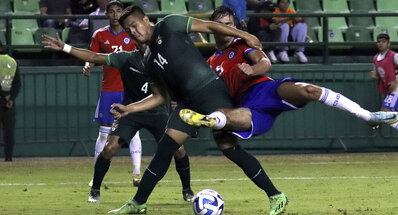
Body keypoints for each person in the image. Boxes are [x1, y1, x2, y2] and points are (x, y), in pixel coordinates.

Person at [107, 5, 288, 215]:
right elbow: (159, 96)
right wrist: (129, 108)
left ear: (146, 20)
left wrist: (245, 35)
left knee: (229, 147)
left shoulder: (169, 24)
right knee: (165, 149)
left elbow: (210, 27)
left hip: (211, 91)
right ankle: (138, 204)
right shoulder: (148, 60)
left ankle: (276, 196)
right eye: (128, 30)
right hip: (188, 103)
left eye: (134, 25)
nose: (133, 32)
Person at [179, 6, 398, 142]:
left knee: (310, 90)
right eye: (221, 25)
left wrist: (252, 70)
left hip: (266, 89)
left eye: (229, 24)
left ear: (234, 26)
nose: (226, 29)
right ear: (213, 28)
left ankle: (368, 116)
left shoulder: (241, 45)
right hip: (247, 106)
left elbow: (265, 63)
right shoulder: (210, 62)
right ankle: (209, 120)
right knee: (232, 116)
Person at [42, 35, 194, 202]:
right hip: (130, 113)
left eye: (147, 40)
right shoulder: (125, 58)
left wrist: (177, 99)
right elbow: (93, 56)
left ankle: (187, 190)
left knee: (179, 150)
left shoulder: (164, 61)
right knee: (109, 148)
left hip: (158, 113)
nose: (144, 43)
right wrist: (65, 47)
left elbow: (179, 82)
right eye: (140, 40)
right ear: (135, 43)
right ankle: (95, 190)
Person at [83, 0, 143, 187]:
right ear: (106, 14)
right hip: (109, 89)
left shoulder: (130, 33)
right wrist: (87, 65)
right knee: (104, 135)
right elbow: (92, 56)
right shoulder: (99, 35)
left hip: (129, 89)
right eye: (112, 11)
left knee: (134, 132)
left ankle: (136, 174)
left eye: (119, 11)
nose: (115, 14)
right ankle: (96, 175)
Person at [0, 41, 21, 162]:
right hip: (9, 103)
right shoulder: (12, 62)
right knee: (9, 131)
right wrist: (11, 98)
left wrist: (4, 96)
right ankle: (8, 157)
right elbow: (17, 83)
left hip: (3, 98)